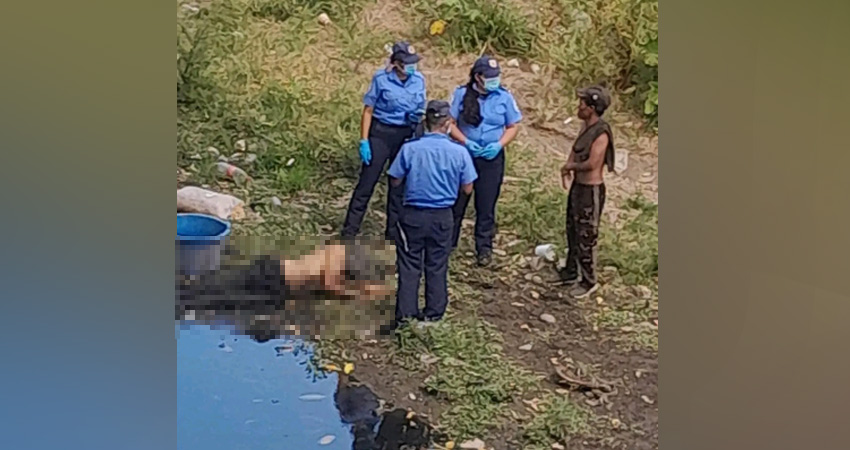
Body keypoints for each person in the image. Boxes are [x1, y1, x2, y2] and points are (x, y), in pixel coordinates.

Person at [387, 100, 477, 325]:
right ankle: (434, 313)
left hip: (413, 214)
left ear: (426, 122)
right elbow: (468, 187)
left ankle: (406, 316)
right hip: (443, 215)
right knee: (437, 265)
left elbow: (395, 178)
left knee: (409, 265)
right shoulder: (460, 152)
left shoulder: (410, 148)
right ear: (448, 123)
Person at [341, 41, 427, 242]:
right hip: (381, 133)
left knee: (398, 186)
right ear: (396, 63)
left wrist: (416, 117)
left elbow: (421, 106)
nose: (412, 67)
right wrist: (364, 140)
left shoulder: (419, 80)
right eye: (407, 63)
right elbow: (368, 110)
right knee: (367, 183)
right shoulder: (382, 79)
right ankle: (349, 232)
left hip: (405, 133)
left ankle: (393, 233)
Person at [448, 55, 522, 267]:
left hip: (491, 158)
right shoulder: (462, 94)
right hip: (465, 156)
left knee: (486, 204)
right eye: (489, 77)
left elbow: (513, 126)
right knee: (458, 202)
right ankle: (449, 244)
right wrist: (465, 142)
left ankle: (484, 248)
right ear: (478, 77)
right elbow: (450, 123)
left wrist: (499, 145)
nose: (494, 81)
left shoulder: (504, 97)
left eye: (496, 77)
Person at [559, 85, 616, 299]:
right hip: (578, 187)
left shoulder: (601, 133)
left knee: (586, 235)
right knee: (572, 230)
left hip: (590, 190)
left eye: (582, 103)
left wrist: (569, 168)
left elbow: (593, 164)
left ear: (592, 108)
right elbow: (575, 150)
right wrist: (568, 165)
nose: (578, 106)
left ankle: (589, 280)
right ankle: (570, 271)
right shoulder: (585, 126)